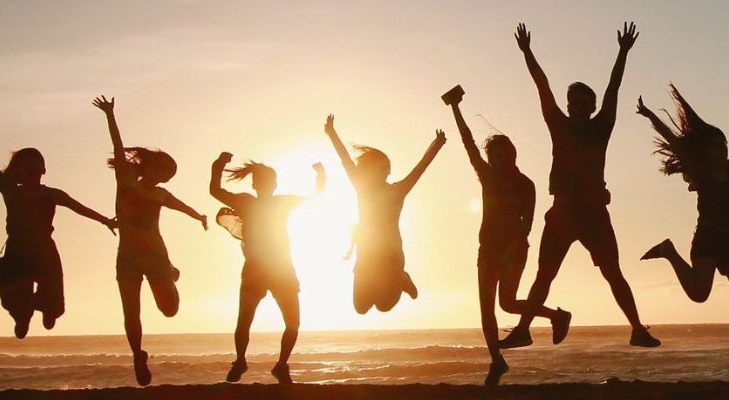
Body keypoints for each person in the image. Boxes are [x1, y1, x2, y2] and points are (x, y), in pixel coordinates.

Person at [501, 22, 657, 349]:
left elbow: (614, 88)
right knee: (544, 275)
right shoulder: (558, 124)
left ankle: (637, 329)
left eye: (584, 103)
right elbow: (541, 86)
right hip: (561, 212)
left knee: (613, 273)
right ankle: (523, 330)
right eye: (573, 102)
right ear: (569, 105)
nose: (577, 107)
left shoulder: (602, 127)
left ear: (592, 106)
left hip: (594, 214)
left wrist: (623, 52)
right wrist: (527, 52)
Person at [442, 86, 566, 386]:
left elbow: (528, 224)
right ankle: (497, 361)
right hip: (487, 250)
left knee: (508, 304)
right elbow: (468, 143)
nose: (501, 159)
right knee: (487, 309)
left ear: (514, 153)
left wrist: (511, 249)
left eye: (505, 153)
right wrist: (455, 109)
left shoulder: (526, 184)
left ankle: (556, 316)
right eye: (495, 156)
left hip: (514, 250)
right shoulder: (487, 176)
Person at [0, 120, 116, 339]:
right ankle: (23, 316)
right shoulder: (11, 192)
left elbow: (79, 208)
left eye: (36, 163)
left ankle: (48, 311)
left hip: (44, 251)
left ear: (44, 169)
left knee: (54, 302)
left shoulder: (52, 194)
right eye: (26, 164)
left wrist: (105, 220)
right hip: (17, 251)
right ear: (18, 172)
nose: (32, 167)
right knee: (13, 296)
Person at [92, 96, 208, 386]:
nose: (162, 175)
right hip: (127, 258)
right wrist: (110, 115)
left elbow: (182, 206)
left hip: (156, 257)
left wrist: (199, 217)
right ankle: (137, 356)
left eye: (166, 174)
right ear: (149, 165)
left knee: (170, 310)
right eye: (159, 168)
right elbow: (118, 148)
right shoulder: (125, 180)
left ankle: (170, 272)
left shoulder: (160, 195)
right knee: (131, 313)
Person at [634, 87, 729, 307]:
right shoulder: (701, 174)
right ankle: (669, 252)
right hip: (707, 239)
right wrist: (650, 115)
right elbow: (673, 141)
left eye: (724, 144)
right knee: (699, 295)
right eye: (715, 147)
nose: (721, 150)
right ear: (705, 151)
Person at [209, 152, 325, 384]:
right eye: (262, 181)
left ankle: (281, 366)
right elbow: (215, 191)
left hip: (281, 268)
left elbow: (316, 196)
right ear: (256, 184)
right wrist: (218, 165)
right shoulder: (246, 202)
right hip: (257, 269)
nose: (266, 185)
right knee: (245, 321)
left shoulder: (280, 202)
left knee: (292, 323)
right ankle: (241, 361)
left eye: (268, 181)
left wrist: (321, 175)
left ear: (275, 184)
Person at [322, 114, 445, 314]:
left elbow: (420, 169)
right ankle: (396, 281)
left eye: (378, 169)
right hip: (367, 255)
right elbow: (344, 160)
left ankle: (401, 279)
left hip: (390, 257)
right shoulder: (362, 188)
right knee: (361, 307)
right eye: (368, 169)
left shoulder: (397, 191)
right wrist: (331, 132)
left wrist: (437, 144)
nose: (372, 173)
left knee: (384, 306)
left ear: (386, 171)